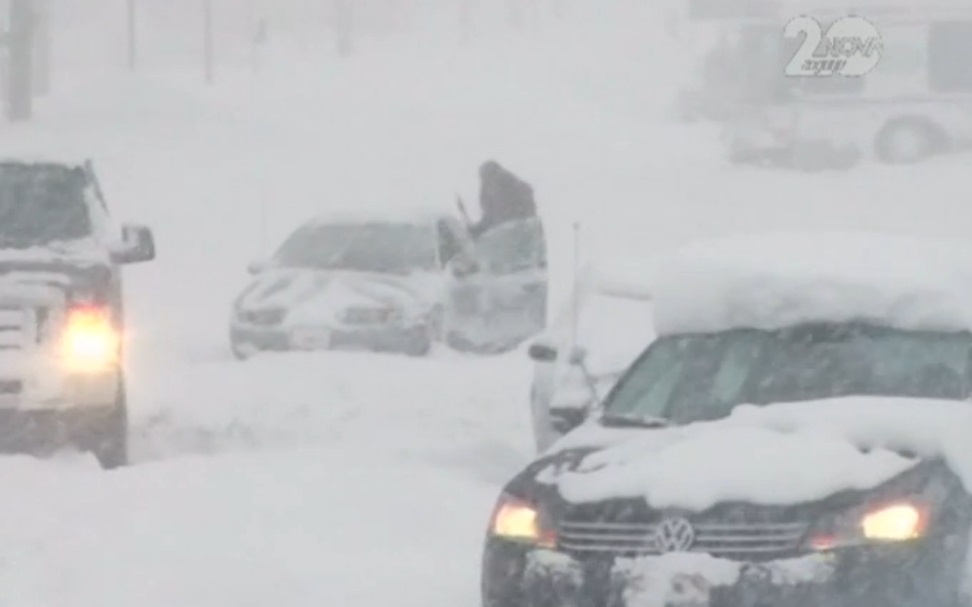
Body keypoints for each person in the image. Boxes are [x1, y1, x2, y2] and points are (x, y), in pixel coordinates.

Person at [463, 160, 537, 238]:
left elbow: (492, 219)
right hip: (515, 233)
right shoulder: (513, 187)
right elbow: (489, 219)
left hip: (516, 233)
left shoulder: (508, 187)